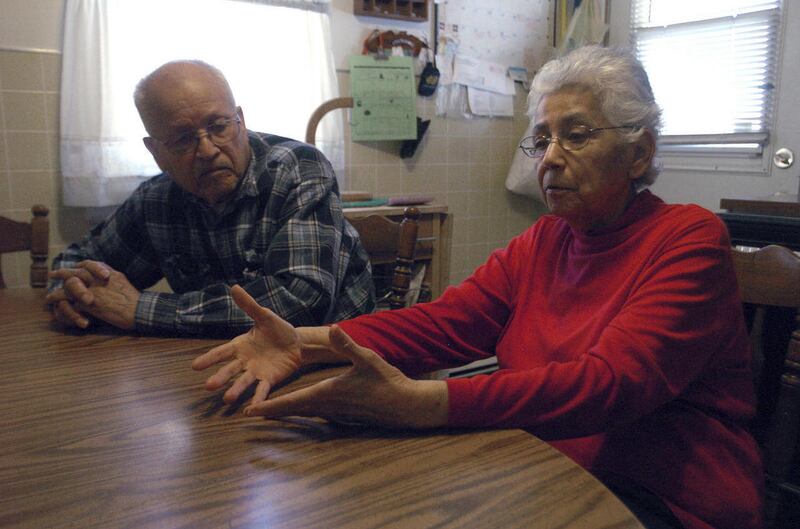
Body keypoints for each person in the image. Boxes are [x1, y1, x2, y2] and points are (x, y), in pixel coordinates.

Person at [191, 46, 763, 529]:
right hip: (535, 461)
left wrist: (425, 404)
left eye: (577, 135)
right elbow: (445, 323)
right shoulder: (545, 239)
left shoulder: (688, 237)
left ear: (640, 153)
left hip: (659, 498)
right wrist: (306, 341)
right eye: (541, 140)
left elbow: (610, 386)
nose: (551, 159)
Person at [46, 60, 374, 336]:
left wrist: (140, 309)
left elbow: (301, 302)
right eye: (183, 139)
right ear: (156, 152)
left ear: (241, 122)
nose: (207, 150)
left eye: (219, 127)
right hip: (216, 361)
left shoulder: (298, 168)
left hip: (335, 358)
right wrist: (72, 292)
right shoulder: (157, 200)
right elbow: (81, 258)